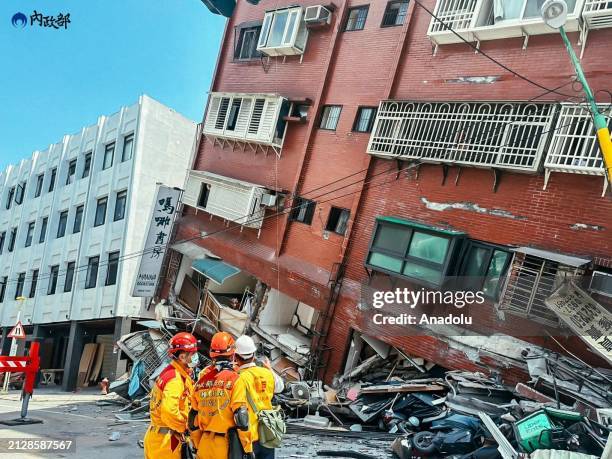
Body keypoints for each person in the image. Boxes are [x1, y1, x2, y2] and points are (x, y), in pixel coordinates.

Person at [190, 332, 253, 459]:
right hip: (226, 446)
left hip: (204, 445)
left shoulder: (200, 382)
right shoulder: (235, 380)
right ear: (233, 354)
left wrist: (197, 445)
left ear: (212, 354)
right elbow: (241, 417)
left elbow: (192, 419)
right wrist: (248, 448)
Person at [144, 331, 198, 459]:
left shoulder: (171, 373)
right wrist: (185, 427)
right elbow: (169, 411)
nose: (196, 357)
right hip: (167, 443)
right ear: (182, 357)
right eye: (193, 354)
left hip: (160, 438)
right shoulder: (175, 379)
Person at [234, 335, 284, 459]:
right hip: (267, 431)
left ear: (236, 356)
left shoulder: (238, 378)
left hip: (248, 436)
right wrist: (270, 369)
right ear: (254, 355)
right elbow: (280, 387)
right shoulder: (267, 373)